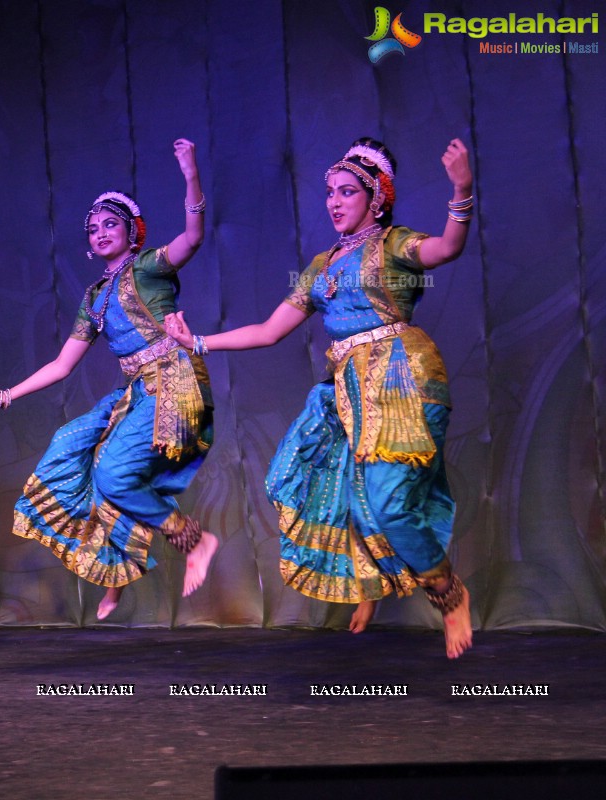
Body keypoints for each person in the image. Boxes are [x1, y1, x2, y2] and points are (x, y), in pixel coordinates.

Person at [165, 137, 475, 658]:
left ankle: (447, 593)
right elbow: (268, 330)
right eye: (329, 192)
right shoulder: (321, 265)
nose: (333, 201)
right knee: (336, 496)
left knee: (389, 502)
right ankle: (370, 588)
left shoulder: (395, 245)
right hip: (346, 392)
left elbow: (446, 248)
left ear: (376, 199)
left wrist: (461, 189)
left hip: (401, 379)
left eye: (347, 191)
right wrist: (197, 341)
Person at [0, 139, 218, 621]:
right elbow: (62, 365)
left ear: (133, 232)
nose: (102, 232)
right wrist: (4, 395)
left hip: (173, 381)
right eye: (94, 228)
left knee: (114, 474)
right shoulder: (95, 297)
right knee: (73, 449)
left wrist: (190, 174)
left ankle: (193, 538)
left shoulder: (148, 267)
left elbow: (192, 237)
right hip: (136, 391)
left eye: (112, 224)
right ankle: (115, 578)